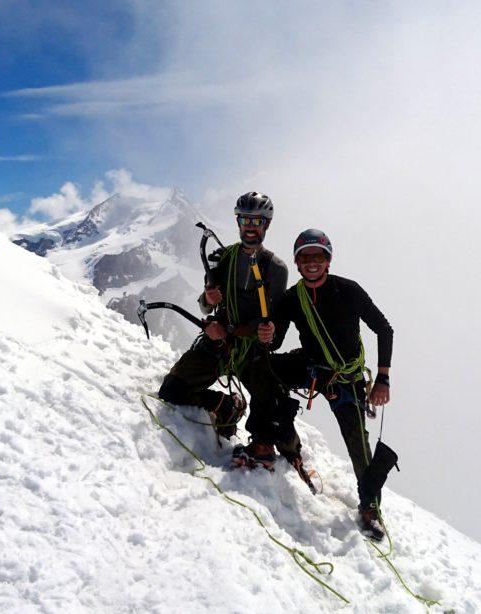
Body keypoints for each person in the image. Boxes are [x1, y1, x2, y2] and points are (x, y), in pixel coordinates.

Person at [253, 229, 394, 540]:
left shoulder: (348, 291)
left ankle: (370, 506)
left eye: (317, 256)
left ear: (327, 260)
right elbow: (274, 342)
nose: (312, 263)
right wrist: (267, 336)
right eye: (305, 257)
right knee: (263, 370)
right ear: (298, 262)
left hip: (346, 379)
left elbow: (384, 328)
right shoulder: (292, 299)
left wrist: (382, 378)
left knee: (358, 444)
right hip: (313, 367)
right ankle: (284, 442)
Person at [157, 192, 288, 442]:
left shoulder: (276, 268)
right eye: (245, 220)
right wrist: (209, 299)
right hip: (220, 344)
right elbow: (205, 306)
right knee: (172, 389)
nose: (250, 227)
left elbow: (269, 320)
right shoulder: (222, 259)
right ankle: (226, 405)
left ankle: (276, 449)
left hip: (251, 348)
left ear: (266, 224)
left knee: (273, 414)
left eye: (257, 221)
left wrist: (226, 330)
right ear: (238, 222)